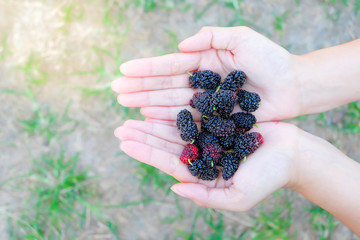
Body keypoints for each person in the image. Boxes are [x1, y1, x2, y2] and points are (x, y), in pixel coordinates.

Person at [111, 26, 360, 235]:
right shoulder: (212, 126)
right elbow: (213, 131)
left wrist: (295, 80)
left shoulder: (225, 115)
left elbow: (220, 124)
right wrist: (298, 80)